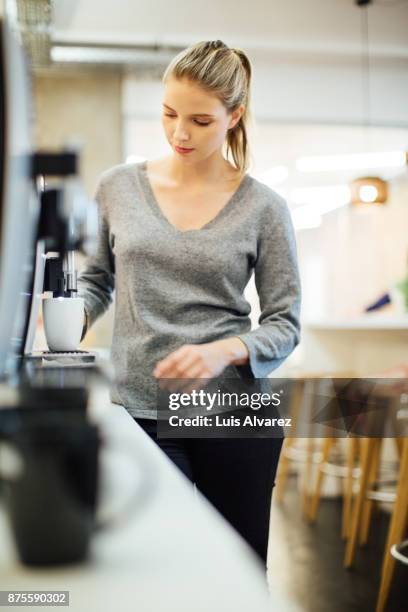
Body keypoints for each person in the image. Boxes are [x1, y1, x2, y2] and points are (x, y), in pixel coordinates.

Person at [77, 40, 301, 567]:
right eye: (169, 113)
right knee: (152, 571)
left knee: (239, 575)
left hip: (233, 411)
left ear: (234, 116)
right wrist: (67, 315)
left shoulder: (265, 207)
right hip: (139, 408)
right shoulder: (117, 188)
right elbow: (94, 281)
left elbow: (285, 323)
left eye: (200, 121)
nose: (180, 133)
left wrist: (225, 350)